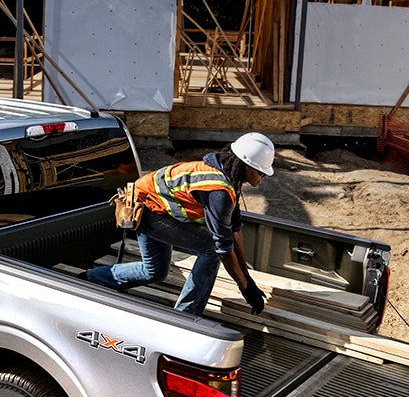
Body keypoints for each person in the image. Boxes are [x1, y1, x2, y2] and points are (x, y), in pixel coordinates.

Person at [83, 132, 275, 317]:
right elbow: (223, 247)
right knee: (211, 249)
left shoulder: (230, 178)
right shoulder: (219, 192)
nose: (263, 177)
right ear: (244, 165)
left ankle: (90, 278)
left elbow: (235, 233)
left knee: (154, 272)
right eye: (260, 172)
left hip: (153, 207)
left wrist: (247, 280)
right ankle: (185, 317)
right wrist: (244, 288)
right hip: (145, 211)